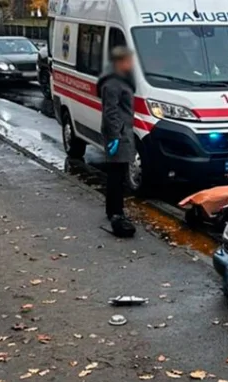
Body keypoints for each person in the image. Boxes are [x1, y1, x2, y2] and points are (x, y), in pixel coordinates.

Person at [97, 46, 137, 238]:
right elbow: (110, 112)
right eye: (128, 61)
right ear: (119, 63)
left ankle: (113, 209)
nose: (131, 64)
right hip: (118, 134)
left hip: (122, 132)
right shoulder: (112, 84)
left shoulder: (120, 80)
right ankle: (116, 211)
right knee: (116, 174)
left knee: (118, 172)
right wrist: (115, 137)